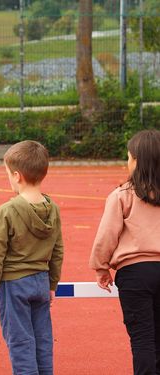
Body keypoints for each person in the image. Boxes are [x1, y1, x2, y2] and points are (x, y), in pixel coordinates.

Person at [0, 140, 64, 375]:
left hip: (14, 285)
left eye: (8, 173)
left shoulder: (6, 210)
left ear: (17, 175)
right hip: (40, 281)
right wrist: (52, 284)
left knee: (20, 344)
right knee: (43, 342)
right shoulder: (53, 208)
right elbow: (58, 249)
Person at [89, 129, 160, 375]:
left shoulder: (122, 195)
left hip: (135, 274)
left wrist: (101, 267)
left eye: (128, 157)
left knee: (142, 340)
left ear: (137, 161)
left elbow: (106, 235)